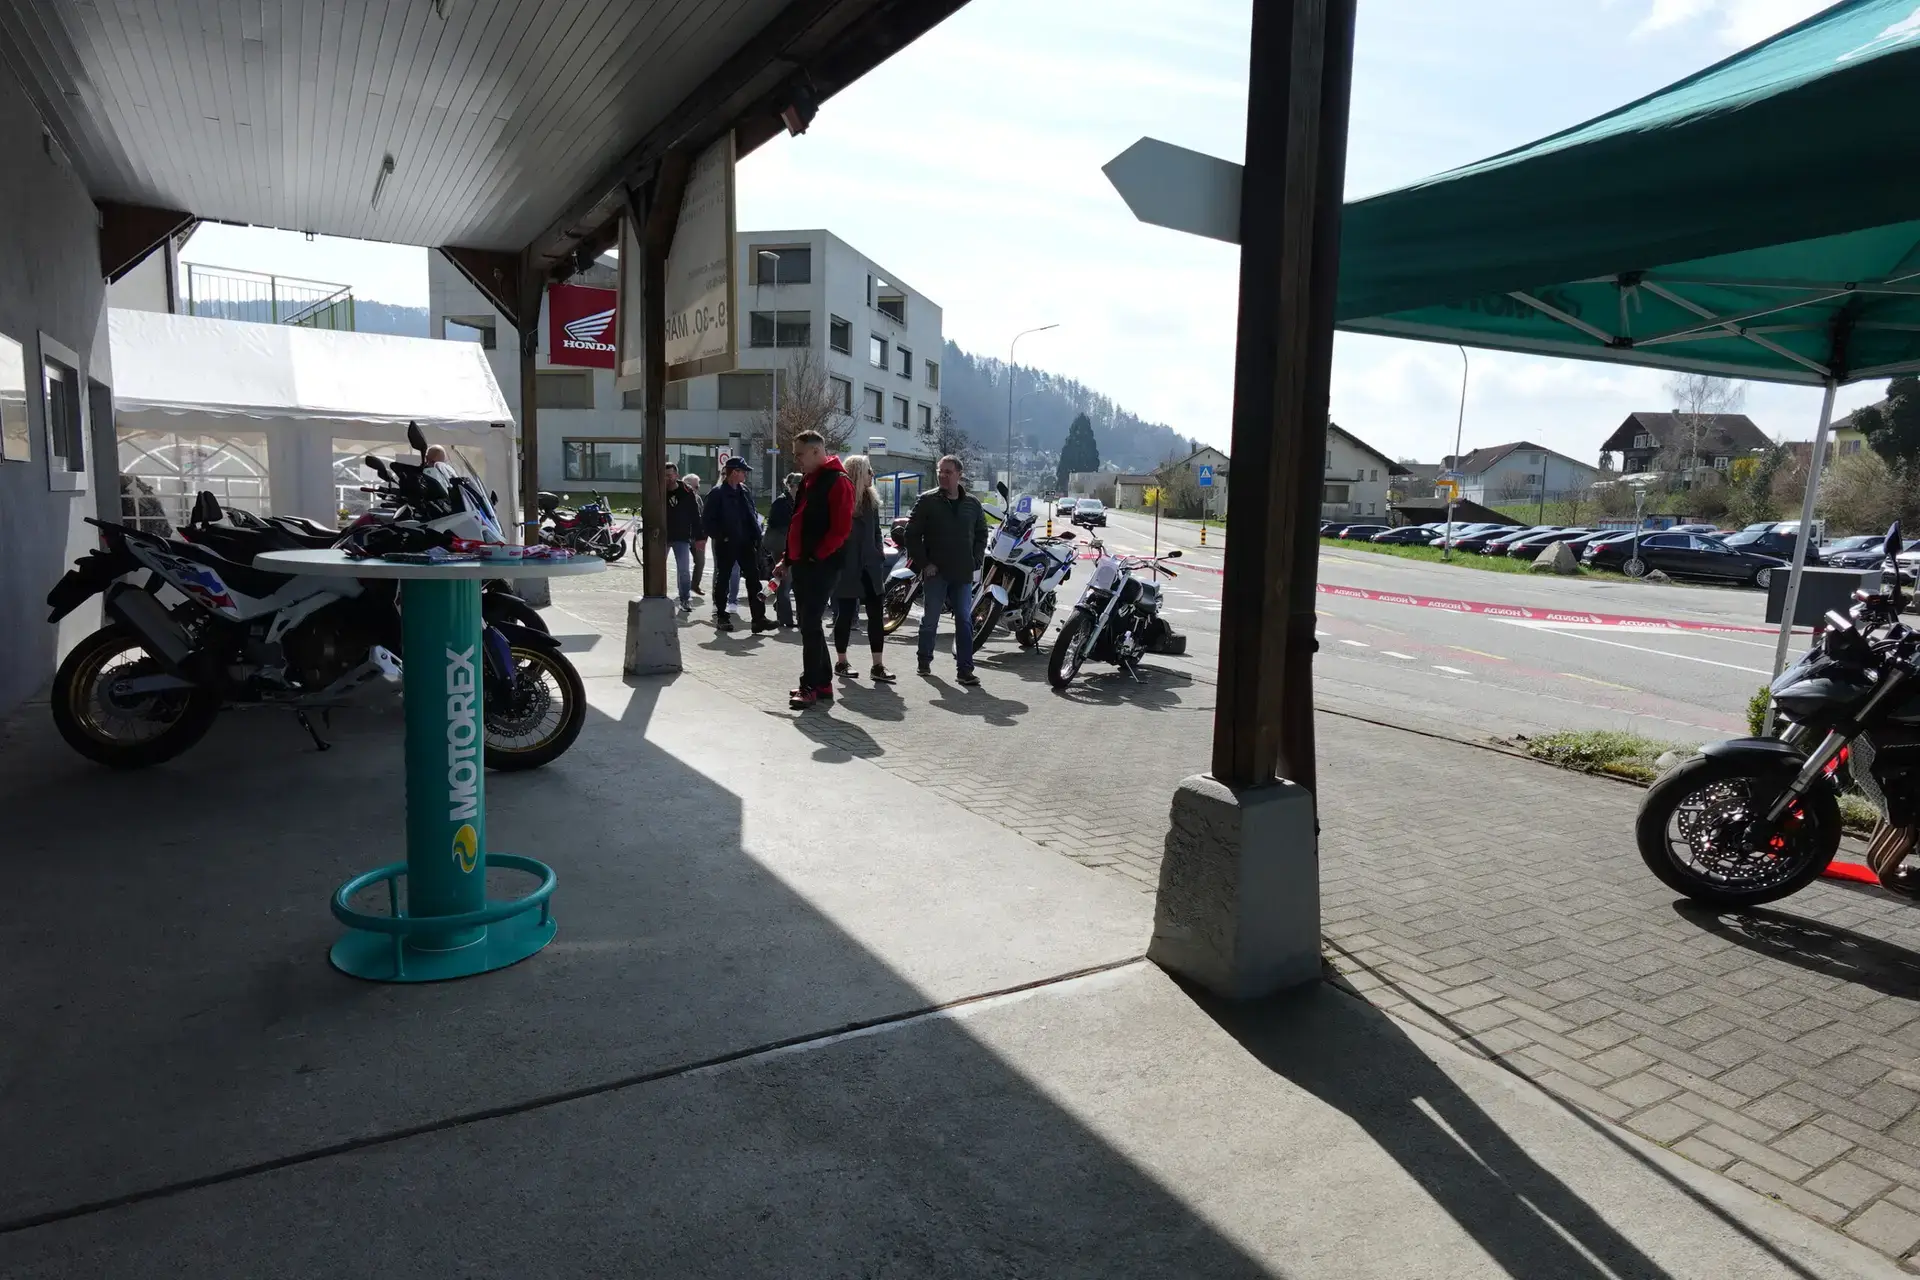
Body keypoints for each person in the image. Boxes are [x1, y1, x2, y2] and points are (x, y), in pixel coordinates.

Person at [770, 431, 853, 709]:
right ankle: (822, 683)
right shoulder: (809, 479)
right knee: (810, 624)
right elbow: (798, 524)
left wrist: (816, 557)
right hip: (805, 563)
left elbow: (841, 530)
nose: (797, 459)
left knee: (809, 624)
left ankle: (810, 685)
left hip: (822, 565)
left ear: (817, 451)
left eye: (799, 454)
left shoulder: (838, 481)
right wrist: (787, 559)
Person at [901, 454, 987, 686]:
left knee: (964, 620)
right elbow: (911, 534)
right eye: (940, 472)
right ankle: (924, 660)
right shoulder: (927, 501)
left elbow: (982, 533)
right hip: (935, 572)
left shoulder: (972, 504)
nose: (943, 476)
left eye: (948, 472)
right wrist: (924, 563)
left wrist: (976, 559)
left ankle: (965, 670)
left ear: (959, 474)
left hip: (962, 572)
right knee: (931, 619)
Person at [832, 456, 896, 683]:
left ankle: (878, 666)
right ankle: (841, 661)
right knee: (845, 615)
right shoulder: (841, 498)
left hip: (871, 566)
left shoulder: (871, 500)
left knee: (876, 616)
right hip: (848, 566)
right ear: (858, 473)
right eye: (869, 471)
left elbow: (877, 531)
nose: (872, 475)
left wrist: (878, 552)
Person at [702, 457, 776, 634]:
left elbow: (751, 514)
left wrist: (757, 537)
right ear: (734, 472)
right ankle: (722, 617)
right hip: (727, 544)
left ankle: (758, 618)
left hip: (746, 543)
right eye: (743, 471)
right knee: (723, 579)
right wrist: (723, 537)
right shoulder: (717, 493)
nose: (745, 475)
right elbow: (707, 521)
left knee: (753, 580)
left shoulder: (744, 491)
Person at [764, 472, 801, 628]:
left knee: (787, 582)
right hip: (781, 547)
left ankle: (775, 602)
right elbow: (775, 523)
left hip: (793, 547)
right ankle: (786, 619)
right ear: (793, 486)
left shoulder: (798, 501)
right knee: (785, 583)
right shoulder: (781, 502)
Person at [661, 462, 700, 613]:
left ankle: (685, 599)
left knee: (683, 569)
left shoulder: (686, 491)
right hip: (662, 536)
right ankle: (658, 596)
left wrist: (699, 536)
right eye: (665, 476)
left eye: (670, 475)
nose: (668, 479)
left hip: (681, 536)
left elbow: (695, 514)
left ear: (676, 475)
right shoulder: (658, 490)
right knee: (658, 568)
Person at [683, 472, 708, 597]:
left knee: (700, 561)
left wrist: (704, 534)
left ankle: (695, 585)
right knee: (683, 564)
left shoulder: (698, 498)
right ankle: (684, 590)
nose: (698, 489)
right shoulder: (681, 498)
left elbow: (702, 516)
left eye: (698, 487)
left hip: (697, 537)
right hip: (684, 536)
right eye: (696, 486)